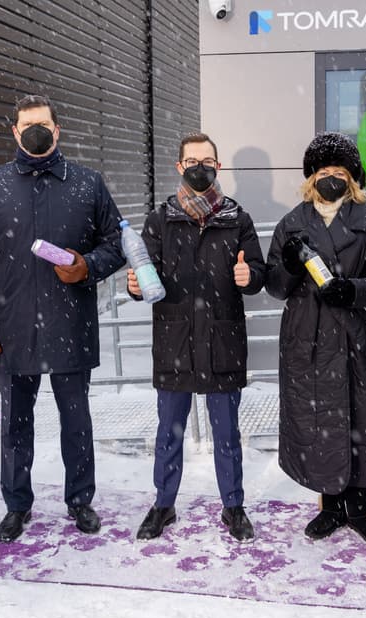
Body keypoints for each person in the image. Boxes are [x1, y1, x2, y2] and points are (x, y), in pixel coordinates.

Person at [0, 94, 125, 543]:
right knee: (15, 423)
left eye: (44, 125)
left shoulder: (88, 184)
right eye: (27, 125)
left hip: (70, 323)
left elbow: (115, 243)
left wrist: (87, 265)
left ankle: (80, 500)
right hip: (11, 330)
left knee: (76, 421)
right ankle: (17, 504)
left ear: (58, 130)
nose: (36, 131)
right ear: (15, 132)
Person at [129, 132, 266, 542]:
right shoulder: (160, 219)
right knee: (169, 430)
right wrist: (135, 285)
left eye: (207, 160)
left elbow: (258, 271)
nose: (200, 167)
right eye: (192, 161)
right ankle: (163, 504)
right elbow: (144, 273)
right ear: (180, 167)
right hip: (175, 342)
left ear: (218, 167)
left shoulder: (237, 218)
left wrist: (250, 276)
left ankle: (233, 506)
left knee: (227, 433)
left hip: (223, 339)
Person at [265, 132, 366, 547]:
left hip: (355, 336)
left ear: (352, 178)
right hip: (308, 338)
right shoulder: (293, 223)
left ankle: (359, 508)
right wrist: (287, 266)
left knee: (360, 418)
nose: (331, 178)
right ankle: (330, 506)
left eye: (339, 172)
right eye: (324, 171)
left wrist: (353, 290)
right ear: (311, 177)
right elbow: (275, 285)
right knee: (320, 420)